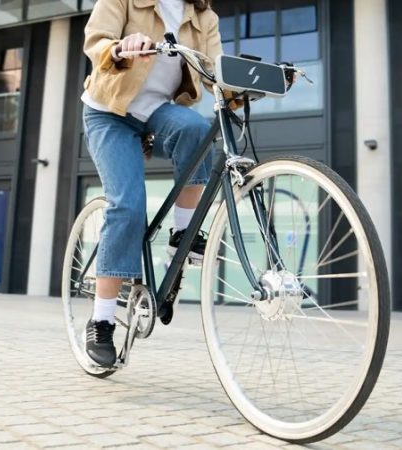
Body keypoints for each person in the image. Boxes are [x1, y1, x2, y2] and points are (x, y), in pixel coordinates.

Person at [81, 0, 229, 367]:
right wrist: (118, 47)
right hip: (109, 113)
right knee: (128, 207)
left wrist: (250, 85)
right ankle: (101, 319)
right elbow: (96, 41)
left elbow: (216, 72)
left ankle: (183, 234)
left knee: (195, 129)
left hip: (155, 111)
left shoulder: (204, 17)